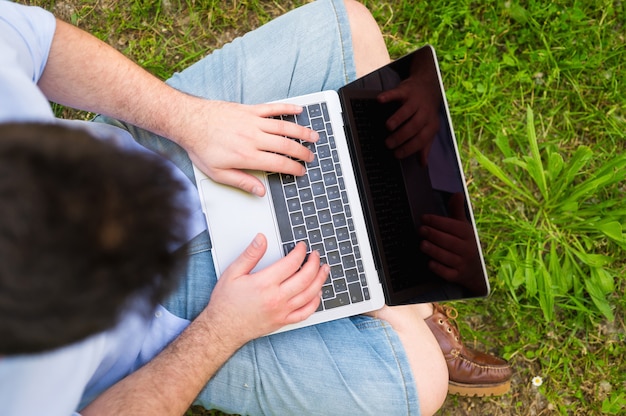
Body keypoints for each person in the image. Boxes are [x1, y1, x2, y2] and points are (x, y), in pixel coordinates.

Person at [0, 1, 511, 415]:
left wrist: (189, 120)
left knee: (349, 27)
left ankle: (386, 286)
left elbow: (38, 45)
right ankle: (393, 291)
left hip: (144, 156)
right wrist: (221, 331)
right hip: (155, 324)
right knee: (425, 380)